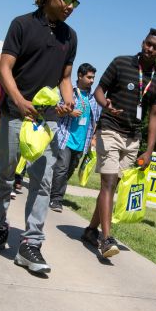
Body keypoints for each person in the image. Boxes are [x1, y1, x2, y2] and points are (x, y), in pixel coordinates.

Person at [0, 0, 80, 274]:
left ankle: (30, 244)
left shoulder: (70, 37)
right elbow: (6, 69)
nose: (70, 7)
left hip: (45, 123)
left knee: (42, 182)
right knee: (5, 175)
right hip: (14, 114)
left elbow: (65, 78)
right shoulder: (22, 25)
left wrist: (68, 101)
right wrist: (19, 101)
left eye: (75, 2)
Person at [83, 29, 156, 259]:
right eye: (147, 43)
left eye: (155, 47)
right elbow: (100, 90)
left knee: (113, 186)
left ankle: (91, 230)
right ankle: (106, 239)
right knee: (108, 182)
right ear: (143, 42)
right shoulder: (121, 63)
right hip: (109, 128)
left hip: (133, 138)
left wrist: (149, 150)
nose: (149, 48)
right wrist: (106, 105)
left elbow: (155, 114)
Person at [49, 63, 101, 212]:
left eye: (93, 78)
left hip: (82, 142)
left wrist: (94, 137)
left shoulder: (93, 98)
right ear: (80, 76)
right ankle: (56, 199)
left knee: (69, 170)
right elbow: (56, 109)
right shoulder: (69, 92)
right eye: (89, 77)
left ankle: (51, 189)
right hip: (65, 137)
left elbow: (96, 120)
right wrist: (68, 112)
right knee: (62, 168)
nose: (92, 81)